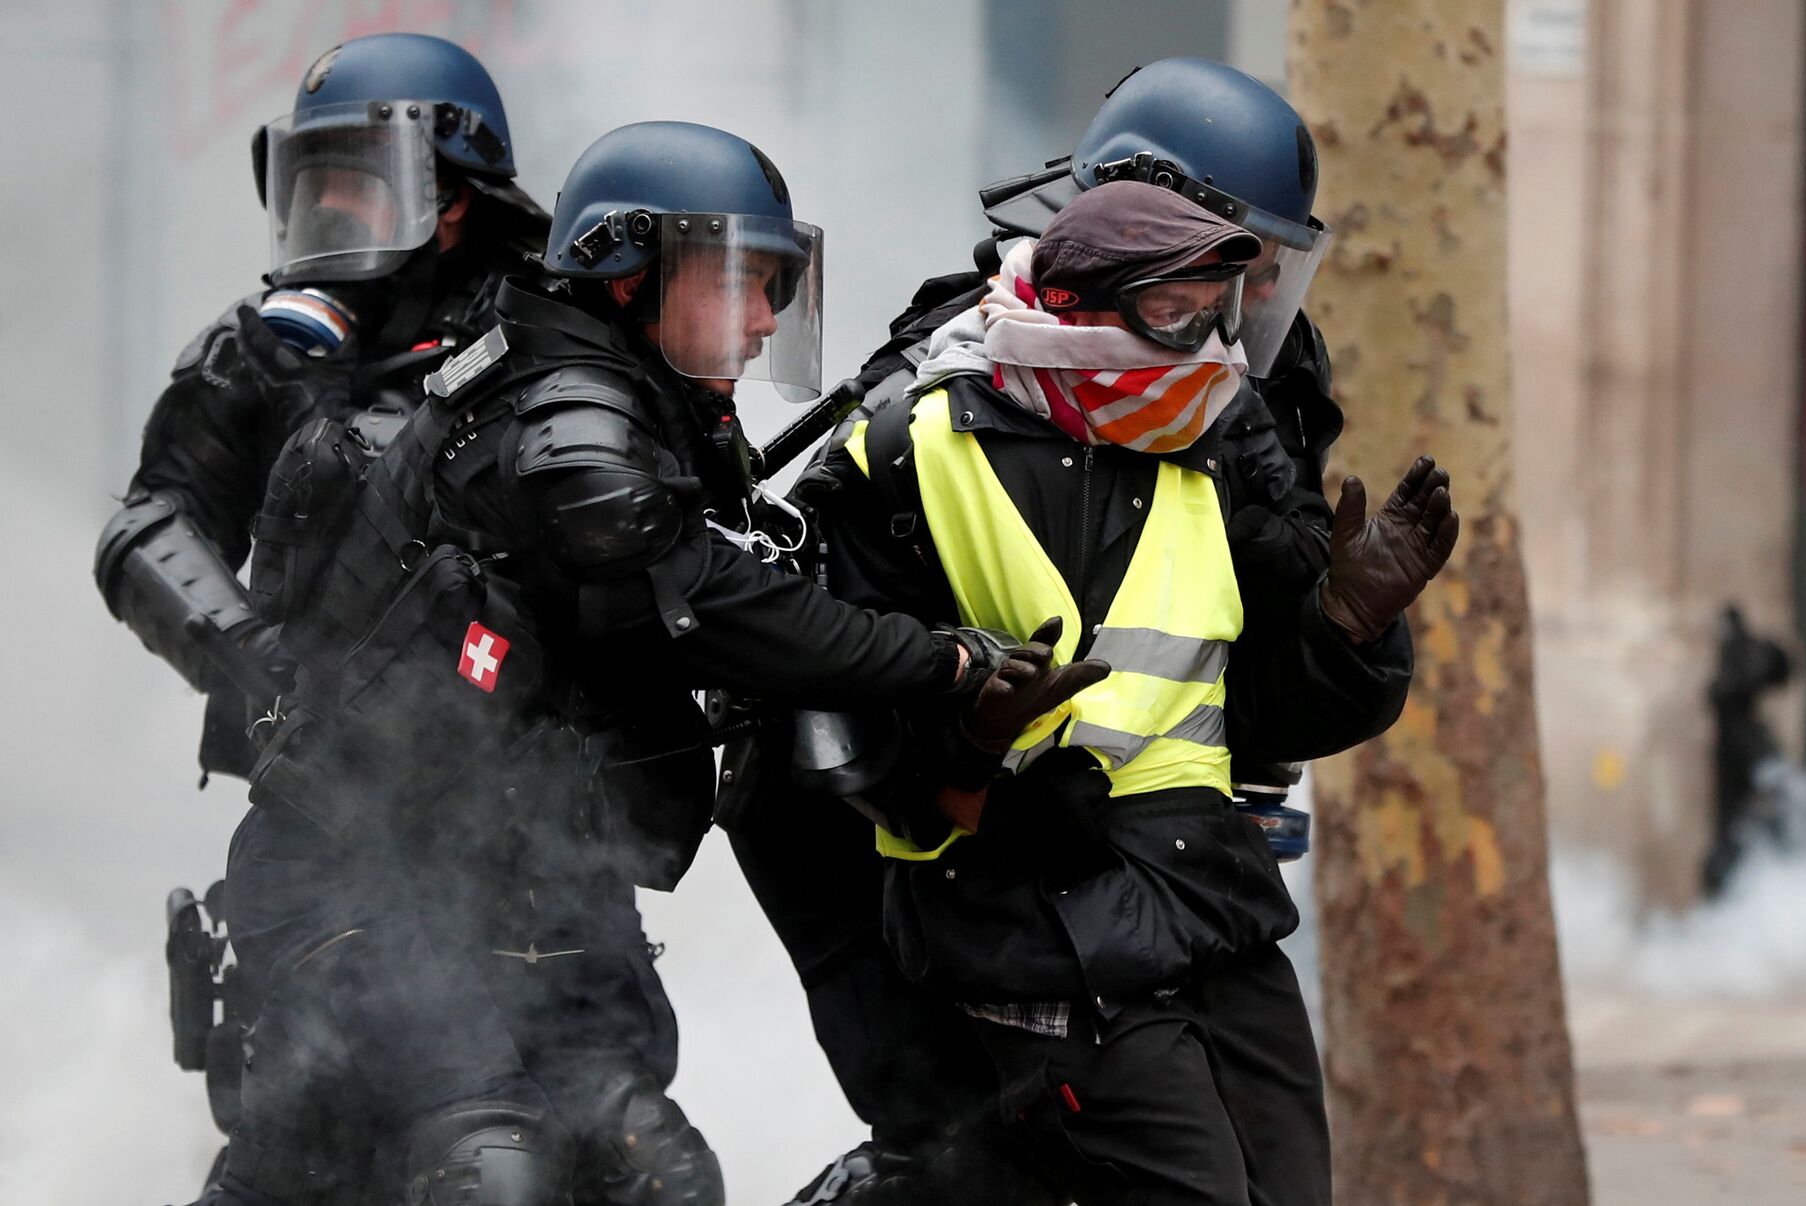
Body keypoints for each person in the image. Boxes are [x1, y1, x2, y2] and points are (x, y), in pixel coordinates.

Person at [209, 119, 1101, 1206]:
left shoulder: (629, 405)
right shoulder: (563, 420)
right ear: (627, 272)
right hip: (360, 882)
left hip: (519, 889)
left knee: (656, 1178)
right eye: (742, 280)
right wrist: (944, 666)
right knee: (485, 1172)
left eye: (780, 285)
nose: (769, 316)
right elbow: (719, 601)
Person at [734, 58, 1353, 1203]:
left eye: (1272, 270)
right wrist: (969, 791)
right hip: (869, 829)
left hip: (1137, 875)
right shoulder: (955, 384)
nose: (1252, 303)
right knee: (953, 1149)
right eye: (1235, 265)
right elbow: (826, 677)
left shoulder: (1252, 382)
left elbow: (1264, 659)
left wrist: (1351, 629)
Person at [802, 181, 1455, 1206]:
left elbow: (1255, 715)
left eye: (1219, 306)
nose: (1207, 337)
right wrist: (971, 745)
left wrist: (1347, 627)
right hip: (1037, 924)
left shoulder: (1206, 449)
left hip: (1213, 906)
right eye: (1173, 308)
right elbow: (846, 738)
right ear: (1070, 308)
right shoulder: (908, 447)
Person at [89, 30, 549, 1177]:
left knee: (615, 1148)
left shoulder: (552, 343)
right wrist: (247, 658)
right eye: (315, 177)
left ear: (454, 199)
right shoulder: (265, 351)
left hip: (529, 824)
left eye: (361, 173)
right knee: (311, 1148)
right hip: (327, 826)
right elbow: (148, 525)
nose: (331, 202)